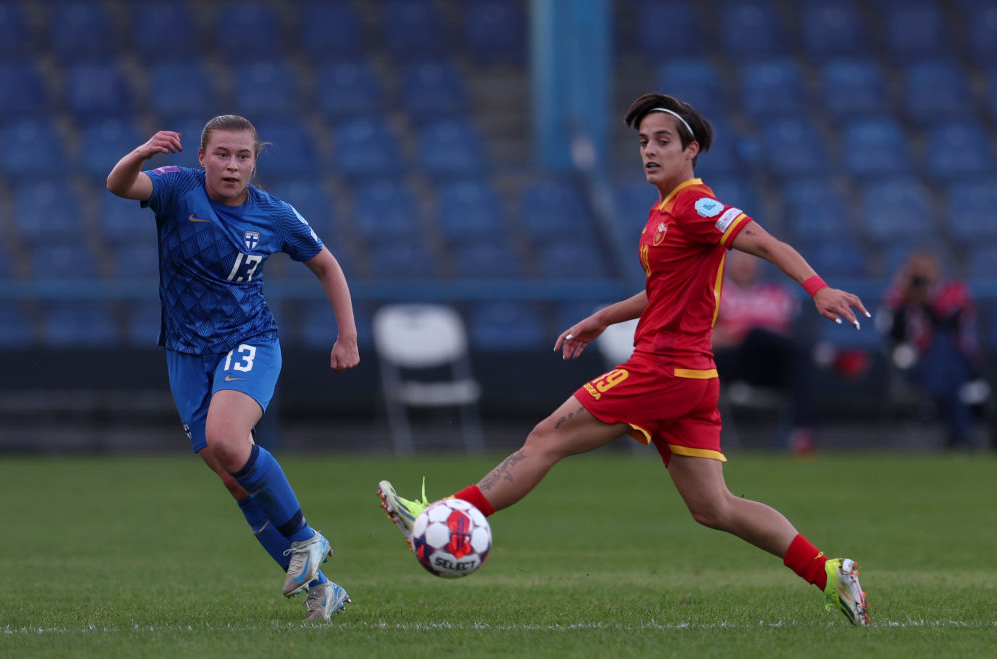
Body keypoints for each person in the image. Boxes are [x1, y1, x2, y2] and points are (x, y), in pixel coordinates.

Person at [377, 93, 872, 625]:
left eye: (663, 141)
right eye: (642, 142)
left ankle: (438, 517)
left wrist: (817, 288)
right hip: (691, 376)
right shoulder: (663, 213)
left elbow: (762, 241)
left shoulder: (694, 204)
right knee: (715, 508)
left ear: (692, 150)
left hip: (663, 369)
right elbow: (661, 291)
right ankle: (828, 572)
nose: (649, 151)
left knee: (546, 438)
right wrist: (604, 318)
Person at [106, 115, 359, 622]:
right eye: (222, 154)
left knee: (226, 439)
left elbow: (326, 264)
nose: (232, 165)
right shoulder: (177, 188)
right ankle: (322, 590)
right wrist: (140, 153)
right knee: (233, 478)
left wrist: (347, 335)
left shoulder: (275, 215)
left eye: (243, 156)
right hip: (183, 352)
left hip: (248, 341)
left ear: (254, 162)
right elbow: (118, 184)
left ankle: (307, 538)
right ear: (202, 157)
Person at [878, 249, 986, 450]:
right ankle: (960, 438)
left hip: (958, 360)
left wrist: (927, 299)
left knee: (945, 348)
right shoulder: (899, 295)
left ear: (937, 270)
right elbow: (891, 333)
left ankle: (958, 435)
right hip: (916, 361)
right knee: (951, 376)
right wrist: (904, 300)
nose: (920, 276)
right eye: (915, 270)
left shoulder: (953, 291)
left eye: (925, 270)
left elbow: (950, 323)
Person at [712, 250, 818, 454]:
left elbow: (790, 334)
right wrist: (736, 333)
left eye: (750, 261)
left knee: (798, 359)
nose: (745, 266)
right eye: (740, 261)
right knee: (756, 334)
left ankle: (801, 436)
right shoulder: (717, 293)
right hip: (737, 361)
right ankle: (825, 356)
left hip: (771, 364)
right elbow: (704, 338)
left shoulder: (777, 294)